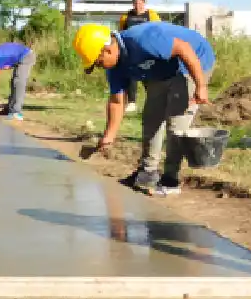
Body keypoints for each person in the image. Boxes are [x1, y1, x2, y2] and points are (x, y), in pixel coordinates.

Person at [73, 20, 215, 197]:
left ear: (107, 50)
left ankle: (171, 180)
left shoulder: (143, 40)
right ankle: (148, 172)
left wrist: (201, 86)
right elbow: (117, 101)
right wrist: (109, 136)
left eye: (99, 63)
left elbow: (183, 48)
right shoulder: (115, 67)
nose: (99, 67)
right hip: (163, 69)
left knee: (176, 125)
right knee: (151, 118)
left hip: (193, 61)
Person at [117, 0, 161, 114]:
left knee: (148, 77)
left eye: (140, 3)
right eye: (135, 3)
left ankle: (154, 101)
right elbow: (121, 33)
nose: (138, 5)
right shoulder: (125, 17)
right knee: (131, 76)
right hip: (131, 51)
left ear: (144, 3)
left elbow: (159, 31)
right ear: (133, 3)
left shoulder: (151, 15)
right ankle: (132, 102)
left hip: (147, 51)